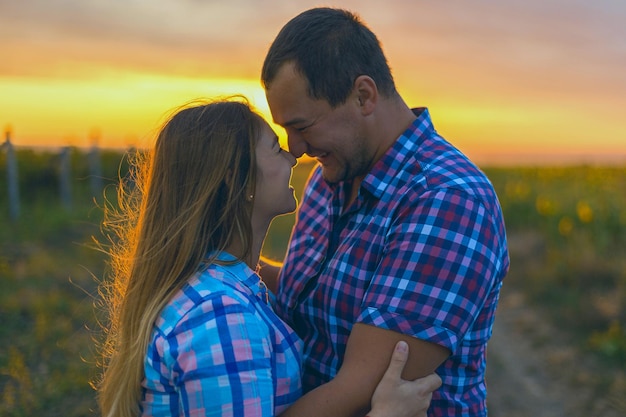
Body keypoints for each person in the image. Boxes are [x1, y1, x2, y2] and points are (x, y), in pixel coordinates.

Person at [96, 98, 441, 417]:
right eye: (276, 149)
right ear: (236, 179)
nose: (293, 157)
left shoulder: (215, 289)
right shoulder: (224, 317)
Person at [259, 7, 510, 416]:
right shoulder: (329, 179)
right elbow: (303, 297)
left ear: (364, 95)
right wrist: (217, 262)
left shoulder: (447, 199)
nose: (297, 149)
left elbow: (358, 388)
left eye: (303, 126)